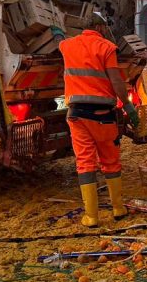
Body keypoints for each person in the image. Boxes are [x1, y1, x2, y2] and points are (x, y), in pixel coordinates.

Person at [59, 13, 140, 227]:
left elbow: (59, 41)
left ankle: (91, 216)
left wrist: (58, 31)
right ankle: (118, 208)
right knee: (110, 161)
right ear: (100, 28)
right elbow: (116, 82)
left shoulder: (66, 45)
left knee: (85, 162)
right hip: (104, 115)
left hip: (78, 115)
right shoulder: (107, 48)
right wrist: (129, 107)